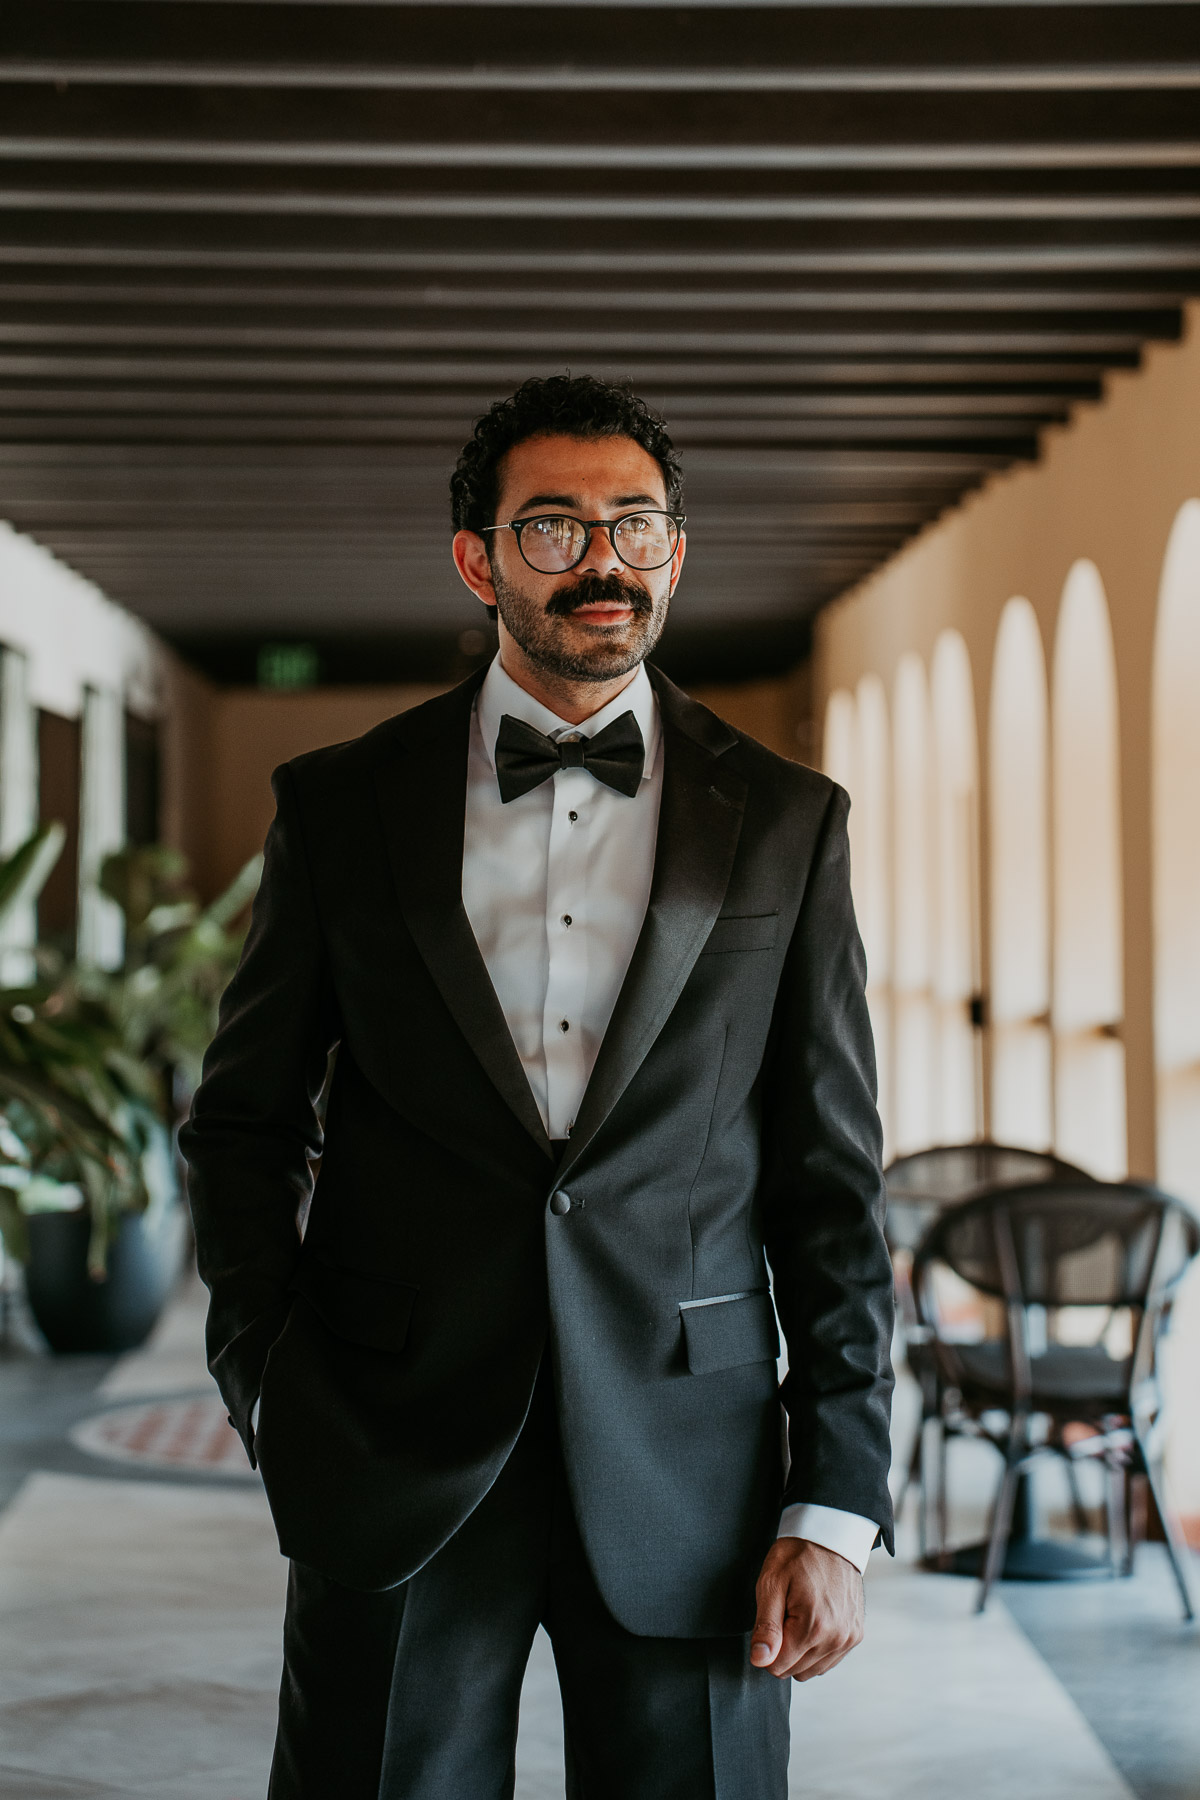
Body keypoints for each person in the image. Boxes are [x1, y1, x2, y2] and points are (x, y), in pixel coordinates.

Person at [182, 374, 894, 1800]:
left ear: (676, 552)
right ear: (479, 559)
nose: (604, 562)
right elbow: (243, 1123)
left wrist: (836, 1502)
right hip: (394, 1446)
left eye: (636, 524)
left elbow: (831, 1183)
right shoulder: (339, 807)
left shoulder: (788, 827)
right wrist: (269, 1384)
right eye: (555, 528)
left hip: (691, 1465)